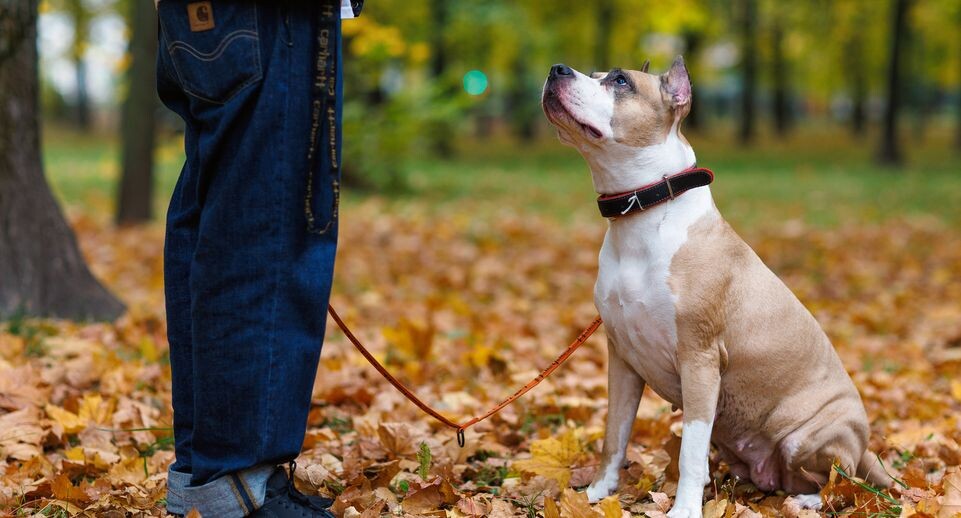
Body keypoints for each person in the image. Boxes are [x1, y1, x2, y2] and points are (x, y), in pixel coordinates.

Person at [156, 1, 363, 516]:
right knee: (267, 213)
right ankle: (236, 482)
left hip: (217, 18)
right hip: (276, 15)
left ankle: (212, 481)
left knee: (222, 206)